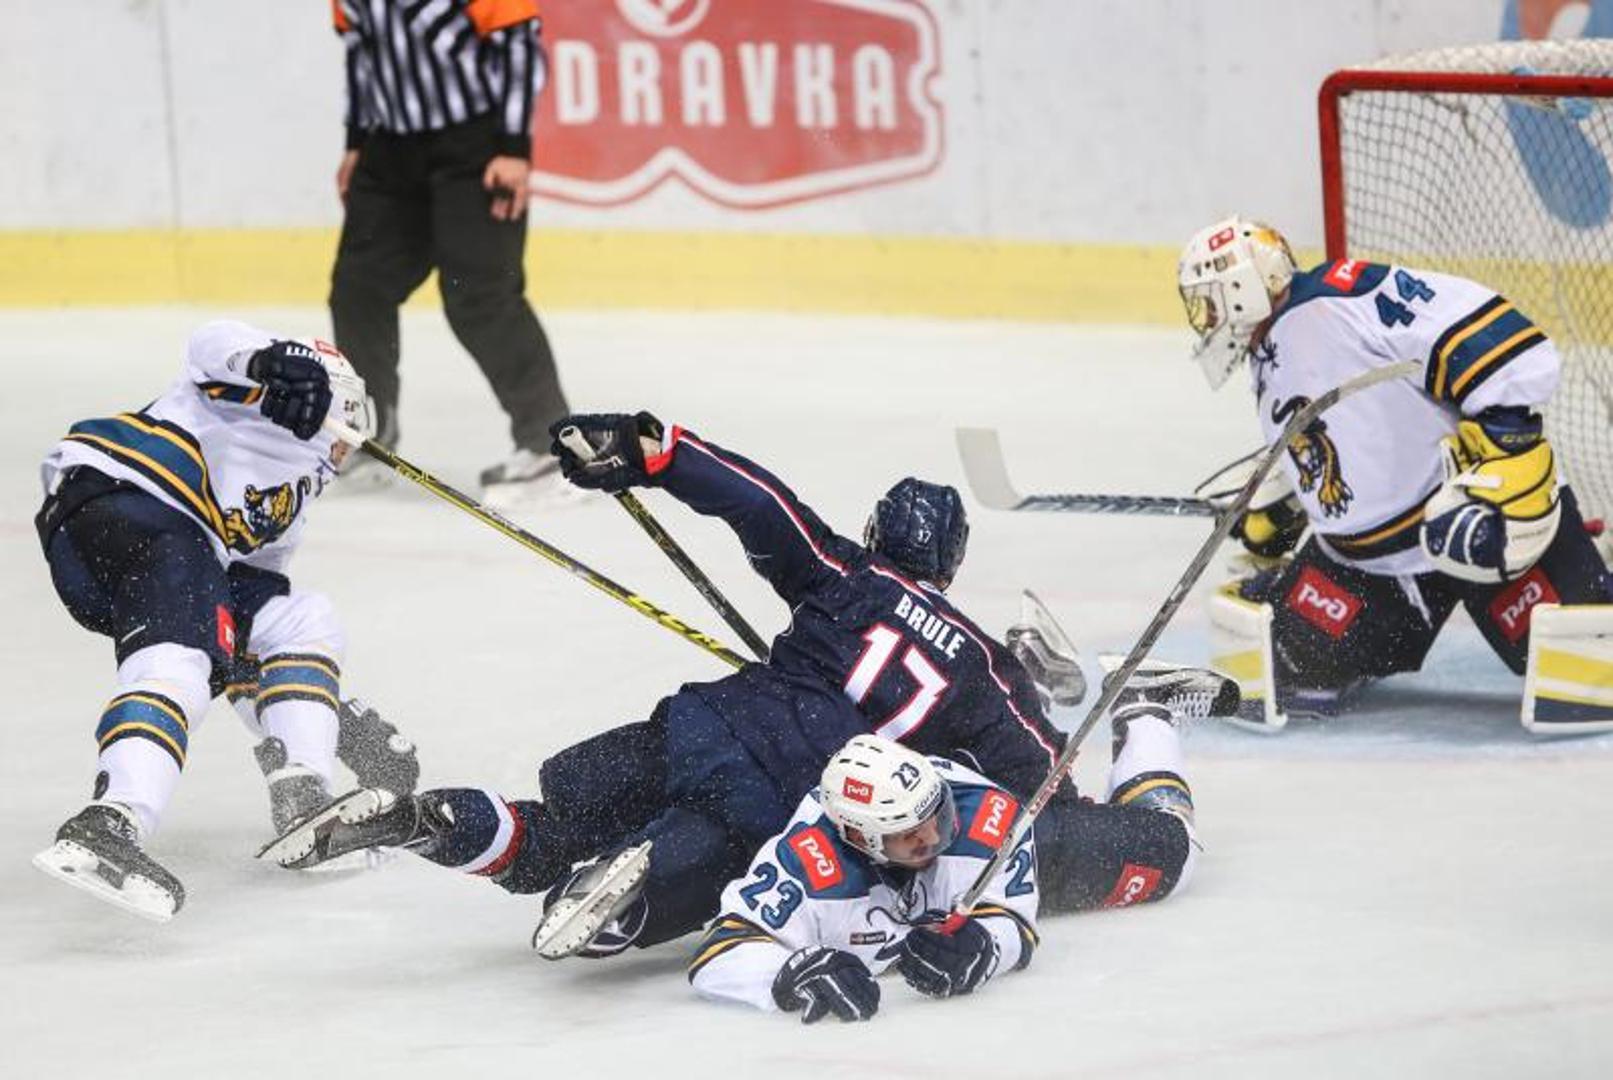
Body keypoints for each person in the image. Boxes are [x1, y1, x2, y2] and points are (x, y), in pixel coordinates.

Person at [262, 414, 1237, 956]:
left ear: (878, 535)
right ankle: (636, 883)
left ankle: (428, 819)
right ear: (950, 563)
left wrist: (652, 452)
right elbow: (1040, 791)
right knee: (680, 876)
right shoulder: (980, 669)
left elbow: (757, 503)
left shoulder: (844, 574)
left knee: (548, 824)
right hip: (795, 790)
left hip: (709, 719)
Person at [30, 320, 414, 922]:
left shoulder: (294, 498)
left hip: (160, 550)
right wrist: (271, 364)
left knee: (298, 620)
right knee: (181, 660)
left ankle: (303, 793)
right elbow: (210, 345)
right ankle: (110, 821)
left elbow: (244, 622)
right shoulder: (266, 398)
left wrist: (332, 719)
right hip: (128, 498)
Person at [1178, 217, 1613, 729]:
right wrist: (1287, 499)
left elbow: (1492, 331)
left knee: (1587, 659)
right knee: (1285, 665)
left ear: (1240, 288)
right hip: (1368, 569)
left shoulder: (1341, 300)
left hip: (1469, 527)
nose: (1205, 319)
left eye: (1208, 302)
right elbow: (1342, 433)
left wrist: (1509, 448)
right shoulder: (1271, 346)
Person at [328, 0, 569, 500]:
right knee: (359, 289)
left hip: (474, 146)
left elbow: (520, 46)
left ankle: (550, 444)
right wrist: (356, 141)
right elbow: (361, 52)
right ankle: (370, 432)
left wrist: (514, 147)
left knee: (480, 297)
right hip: (388, 150)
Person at [688, 735, 1038, 1023]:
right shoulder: (810, 860)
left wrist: (988, 946)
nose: (933, 837)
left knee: (1068, 846)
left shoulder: (984, 814)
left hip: (1028, 834)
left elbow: (1012, 919)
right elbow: (719, 953)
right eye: (910, 833)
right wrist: (791, 973)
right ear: (860, 838)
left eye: (938, 815)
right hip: (759, 800)